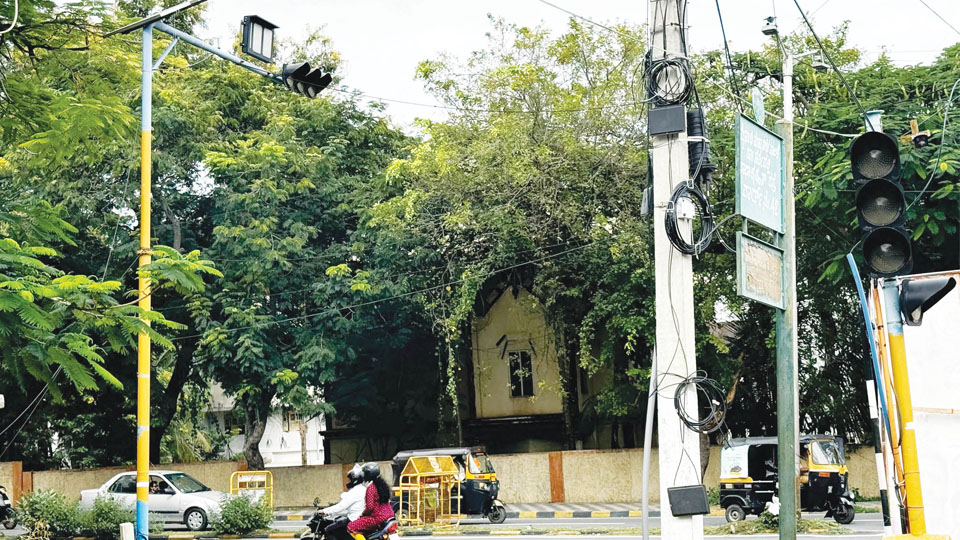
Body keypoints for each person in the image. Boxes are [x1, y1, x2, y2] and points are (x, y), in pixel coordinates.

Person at [316, 464, 366, 540]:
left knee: (328, 530)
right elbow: (351, 507)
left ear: (354, 480)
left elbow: (341, 506)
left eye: (349, 479)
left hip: (353, 520)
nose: (348, 481)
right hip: (359, 519)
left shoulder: (355, 492)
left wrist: (324, 511)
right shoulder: (363, 489)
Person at [347, 463, 395, 537]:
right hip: (390, 515)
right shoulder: (383, 485)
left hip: (378, 518)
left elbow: (370, 507)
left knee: (351, 526)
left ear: (367, 474)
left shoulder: (371, 488)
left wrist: (362, 515)